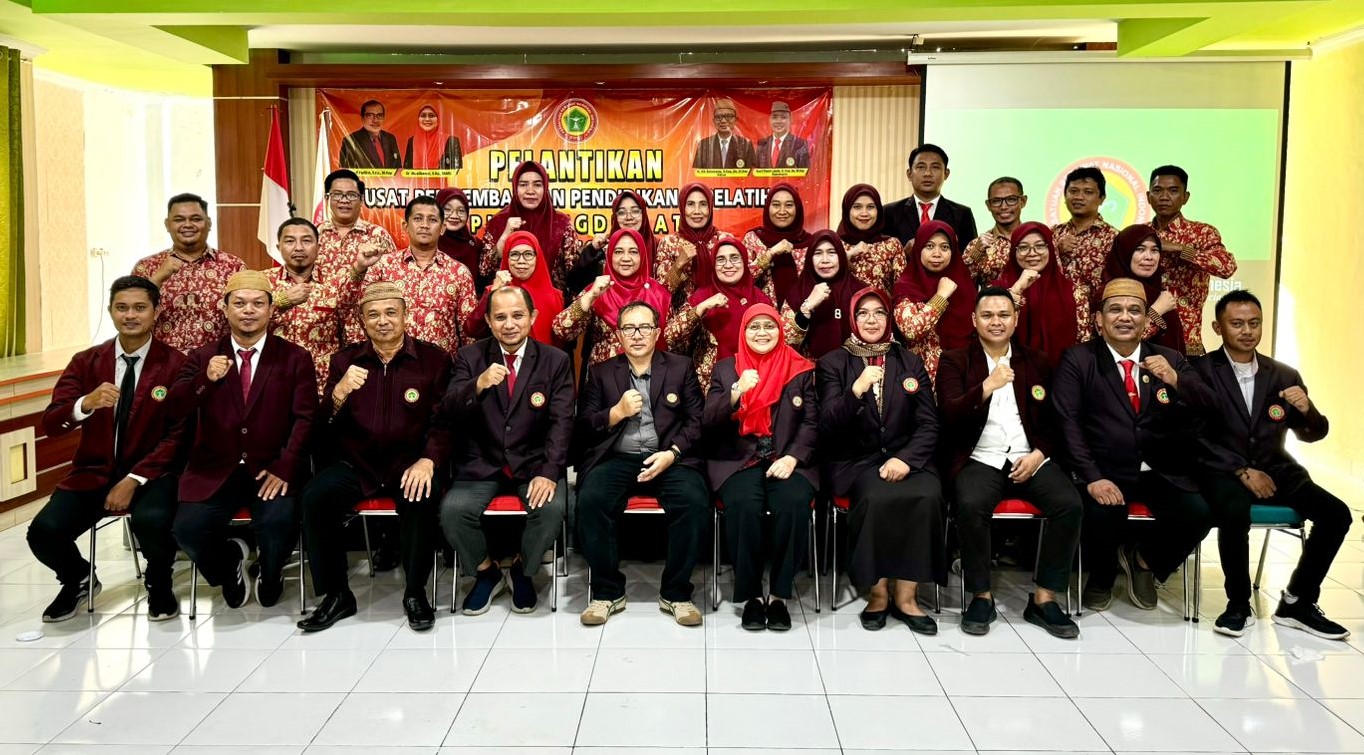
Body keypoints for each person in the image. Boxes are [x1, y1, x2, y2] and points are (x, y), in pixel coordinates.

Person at [29, 276, 188, 622]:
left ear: (156, 311)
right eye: (122, 308)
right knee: (43, 532)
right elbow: (52, 423)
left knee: (153, 521)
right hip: (93, 472)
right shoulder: (86, 361)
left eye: (139, 308)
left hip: (152, 474)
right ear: (111, 311)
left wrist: (133, 479)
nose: (130, 315)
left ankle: (159, 582)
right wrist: (84, 404)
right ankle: (78, 578)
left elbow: (180, 435)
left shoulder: (176, 364)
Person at [1195, 290, 1351, 639]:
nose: (1247, 331)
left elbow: (1312, 434)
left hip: (1277, 469)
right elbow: (1193, 436)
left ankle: (1298, 601)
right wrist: (1241, 470)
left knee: (1337, 514)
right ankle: (1238, 604)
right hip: (1223, 470)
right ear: (1218, 327)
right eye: (1237, 324)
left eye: (1254, 323)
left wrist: (1307, 409)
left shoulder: (1283, 374)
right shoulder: (1200, 371)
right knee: (1234, 511)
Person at [1052, 278, 1214, 613]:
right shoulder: (1078, 359)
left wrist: (1176, 380)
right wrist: (1092, 477)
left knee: (1199, 514)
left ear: (1145, 319)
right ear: (1099, 319)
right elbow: (1067, 423)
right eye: (1115, 309)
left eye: (1134, 310)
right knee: (1103, 512)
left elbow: (1211, 408)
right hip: (1104, 470)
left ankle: (1144, 562)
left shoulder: (1169, 358)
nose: (1125, 317)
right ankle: (1101, 577)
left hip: (1160, 470)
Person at [298, 282, 451, 633]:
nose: (383, 321)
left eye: (390, 312)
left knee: (422, 496)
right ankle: (337, 594)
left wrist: (428, 460)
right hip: (358, 464)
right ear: (363, 321)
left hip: (409, 463)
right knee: (315, 498)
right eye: (374, 315)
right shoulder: (344, 361)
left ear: (405, 315)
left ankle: (415, 593)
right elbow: (321, 426)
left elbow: (444, 423)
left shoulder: (434, 360)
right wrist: (339, 392)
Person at [937, 286, 1082, 639]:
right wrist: (987, 386)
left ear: (1016, 319)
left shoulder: (1037, 361)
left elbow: (1056, 421)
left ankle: (1044, 599)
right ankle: (980, 596)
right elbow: (949, 415)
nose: (996, 322)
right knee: (970, 505)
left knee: (1069, 504)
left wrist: (1039, 454)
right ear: (974, 320)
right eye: (987, 315)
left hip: (1028, 456)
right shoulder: (955, 360)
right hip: (979, 458)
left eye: (1004, 315)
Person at [166, 271, 318, 609]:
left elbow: (306, 418)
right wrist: (205, 379)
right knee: (188, 530)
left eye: (257, 304)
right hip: (214, 469)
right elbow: (174, 407)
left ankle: (270, 573)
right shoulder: (203, 356)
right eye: (239, 303)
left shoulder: (294, 357)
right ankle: (229, 565)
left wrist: (285, 466)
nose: (248, 310)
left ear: (271, 310)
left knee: (278, 523)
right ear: (225, 309)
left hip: (271, 469)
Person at [574, 302, 709, 627]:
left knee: (694, 501)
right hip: (617, 458)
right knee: (591, 500)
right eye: (629, 328)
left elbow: (696, 420)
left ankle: (676, 593)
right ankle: (607, 592)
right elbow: (583, 426)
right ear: (618, 334)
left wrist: (672, 453)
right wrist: (615, 413)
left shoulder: (680, 367)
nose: (637, 335)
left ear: (657, 332)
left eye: (645, 327)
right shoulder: (602, 372)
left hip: (668, 457)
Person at [818, 287, 944, 635]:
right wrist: (856, 390)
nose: (871, 320)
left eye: (879, 313)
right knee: (876, 496)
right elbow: (827, 424)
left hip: (907, 456)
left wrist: (907, 460)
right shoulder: (833, 362)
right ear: (852, 319)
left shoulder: (909, 361)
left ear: (889, 319)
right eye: (863, 313)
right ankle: (877, 594)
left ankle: (907, 596)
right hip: (856, 460)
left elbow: (929, 422)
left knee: (927, 495)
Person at [442, 286, 575, 615]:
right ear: (488, 321)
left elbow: (561, 422)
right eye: (500, 317)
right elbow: (448, 410)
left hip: (533, 464)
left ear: (533, 317)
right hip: (482, 462)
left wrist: (549, 472)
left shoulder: (555, 360)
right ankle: (486, 572)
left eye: (517, 315)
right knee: (453, 512)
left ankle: (521, 569)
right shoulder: (470, 357)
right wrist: (477, 384)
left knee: (551, 510)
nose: (509, 324)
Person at [704, 304, 818, 631]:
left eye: (769, 326)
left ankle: (779, 596)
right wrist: (736, 391)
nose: (762, 333)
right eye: (754, 327)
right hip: (739, 458)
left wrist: (793, 457)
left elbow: (811, 421)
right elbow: (708, 420)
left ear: (780, 331)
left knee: (793, 504)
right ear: (743, 332)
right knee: (743, 506)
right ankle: (752, 596)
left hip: (786, 457)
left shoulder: (800, 368)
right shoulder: (726, 369)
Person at [361, 196, 478, 354]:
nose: (424, 225)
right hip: (391, 363)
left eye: (432, 220)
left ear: (442, 228)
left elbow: (469, 333)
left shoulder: (459, 273)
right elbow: (363, 316)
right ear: (405, 226)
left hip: (442, 366)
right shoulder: (383, 266)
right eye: (418, 218)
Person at [132, 193, 247, 354]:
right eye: (179, 219)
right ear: (167, 225)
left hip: (218, 361)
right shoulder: (147, 267)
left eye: (196, 219)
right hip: (162, 362)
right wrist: (157, 279)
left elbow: (247, 316)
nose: (187, 225)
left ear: (209, 223)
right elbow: (131, 313)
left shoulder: (233, 266)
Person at [267, 218, 367, 396]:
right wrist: (281, 301)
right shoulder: (263, 283)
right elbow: (245, 322)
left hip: (322, 385)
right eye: (290, 241)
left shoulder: (335, 282)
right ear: (278, 247)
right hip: (273, 382)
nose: (298, 247)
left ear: (319, 247)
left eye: (306, 241)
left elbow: (351, 330)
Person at [1147, 165, 1238, 356]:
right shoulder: (1139, 233)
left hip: (1187, 343)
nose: (1164, 197)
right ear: (1148, 196)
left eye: (1173, 191)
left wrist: (1181, 249)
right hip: (1142, 340)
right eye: (1157, 190)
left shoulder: (1202, 233)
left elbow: (1227, 267)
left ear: (1185, 197)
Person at [663, 235, 773, 389]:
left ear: (744, 261)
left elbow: (776, 340)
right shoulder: (702, 296)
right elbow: (669, 336)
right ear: (713, 265)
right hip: (713, 386)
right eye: (721, 260)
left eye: (735, 258)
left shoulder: (760, 298)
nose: (728, 265)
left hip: (757, 380)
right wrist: (701, 309)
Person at [552, 228, 672, 367]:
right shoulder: (598, 289)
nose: (626, 258)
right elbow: (561, 330)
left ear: (642, 256)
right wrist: (590, 296)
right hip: (604, 376)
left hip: (652, 375)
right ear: (609, 255)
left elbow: (671, 343)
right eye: (618, 252)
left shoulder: (657, 292)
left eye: (633, 252)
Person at [316, 170, 398, 344]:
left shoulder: (378, 236)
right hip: (321, 330)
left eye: (351, 195)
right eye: (337, 194)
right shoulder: (314, 236)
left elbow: (392, 283)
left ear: (361, 200)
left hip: (366, 331)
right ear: (327, 198)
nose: (344, 200)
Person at [991, 222, 1088, 364]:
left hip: (1063, 372)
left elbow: (1083, 342)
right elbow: (991, 331)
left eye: (1040, 246)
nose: (1032, 253)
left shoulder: (1074, 293)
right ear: (1013, 251)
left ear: (1051, 249)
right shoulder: (996, 290)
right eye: (1023, 247)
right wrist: (1017, 288)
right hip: (1008, 370)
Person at [892, 220, 976, 380]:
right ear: (918, 249)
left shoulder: (964, 283)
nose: (937, 254)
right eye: (929, 246)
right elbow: (910, 331)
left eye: (944, 247)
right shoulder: (905, 286)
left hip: (964, 374)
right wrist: (941, 296)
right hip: (923, 378)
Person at [482, 161, 582, 290]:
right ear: (515, 187)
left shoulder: (562, 224)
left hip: (550, 300)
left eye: (537, 185)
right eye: (523, 185)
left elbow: (575, 275)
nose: (530, 191)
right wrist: (505, 236)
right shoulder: (498, 222)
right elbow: (484, 272)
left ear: (545, 188)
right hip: (507, 299)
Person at [464, 231, 565, 345]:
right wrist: (492, 293)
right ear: (506, 258)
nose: (521, 261)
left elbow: (562, 342)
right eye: (514, 254)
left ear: (538, 257)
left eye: (528, 254)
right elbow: (471, 330)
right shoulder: (494, 290)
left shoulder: (555, 297)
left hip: (546, 356)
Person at [782, 230, 871, 358]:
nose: (825, 260)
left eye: (832, 253)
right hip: (809, 368)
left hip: (854, 367)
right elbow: (785, 343)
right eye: (818, 253)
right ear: (809, 258)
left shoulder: (861, 292)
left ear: (841, 255)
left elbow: (874, 338)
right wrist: (806, 308)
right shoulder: (797, 293)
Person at [1102, 224, 1184, 353]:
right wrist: (1156, 312)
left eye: (1155, 250)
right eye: (1140, 249)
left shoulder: (1158, 293)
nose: (1149, 257)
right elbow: (1116, 345)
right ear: (1124, 252)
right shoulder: (1109, 293)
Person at [883, 144, 978, 248]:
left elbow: (970, 255)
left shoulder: (962, 214)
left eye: (935, 167)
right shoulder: (889, 213)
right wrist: (904, 253)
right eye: (921, 167)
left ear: (946, 174)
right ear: (909, 174)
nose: (927, 173)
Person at [568, 189, 657, 295]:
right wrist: (592, 250)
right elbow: (574, 284)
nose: (629, 217)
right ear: (615, 216)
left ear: (644, 214)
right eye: (622, 213)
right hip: (610, 304)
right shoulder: (603, 248)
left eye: (635, 211)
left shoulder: (658, 247)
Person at [1051, 166, 1118, 304]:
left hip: (1096, 312)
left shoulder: (1114, 237)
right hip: (1055, 311)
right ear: (1065, 196)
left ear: (1101, 198)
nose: (1079, 197)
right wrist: (1056, 251)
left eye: (1088, 192)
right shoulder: (1052, 233)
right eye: (1073, 191)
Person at [744, 183, 813, 302]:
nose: (782, 211)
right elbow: (742, 281)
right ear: (768, 207)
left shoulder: (810, 242)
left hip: (803, 312)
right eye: (776, 205)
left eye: (789, 205)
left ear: (797, 208)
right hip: (763, 312)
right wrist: (770, 254)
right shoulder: (753, 239)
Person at [655, 183, 724, 299]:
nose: (697, 211)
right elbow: (661, 292)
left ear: (710, 207)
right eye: (690, 204)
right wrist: (678, 264)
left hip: (721, 307)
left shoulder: (723, 240)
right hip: (683, 310)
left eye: (703, 204)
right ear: (682, 208)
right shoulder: (669, 243)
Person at [837, 184, 905, 292]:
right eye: (857, 207)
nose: (864, 213)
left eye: (870, 207)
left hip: (882, 303)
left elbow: (902, 291)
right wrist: (847, 255)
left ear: (878, 211)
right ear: (847, 210)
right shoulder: (834, 244)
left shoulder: (892, 245)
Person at [964, 177, 1028, 286]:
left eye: (1011, 199)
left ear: (1023, 201)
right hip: (992, 297)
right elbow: (961, 283)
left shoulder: (1037, 239)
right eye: (996, 201)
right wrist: (976, 253)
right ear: (988, 205)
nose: (1004, 207)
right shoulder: (977, 245)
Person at [436, 187, 496, 295]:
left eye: (461, 211)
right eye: (447, 210)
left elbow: (484, 283)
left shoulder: (475, 246)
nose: (454, 216)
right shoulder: (429, 245)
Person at [692, 98, 756, 170]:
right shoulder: (704, 145)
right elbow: (696, 172)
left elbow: (751, 172)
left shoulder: (745, 144)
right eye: (718, 117)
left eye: (728, 116)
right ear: (714, 121)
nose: (723, 121)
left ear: (735, 120)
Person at [340, 98, 401, 170]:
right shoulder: (350, 141)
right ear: (362, 118)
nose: (375, 120)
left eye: (379, 115)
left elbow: (398, 168)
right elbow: (345, 172)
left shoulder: (390, 138)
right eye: (370, 115)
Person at [403, 103, 463, 171]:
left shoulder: (451, 141)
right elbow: (406, 171)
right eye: (423, 116)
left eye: (431, 115)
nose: (427, 119)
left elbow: (457, 172)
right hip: (416, 178)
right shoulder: (412, 141)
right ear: (418, 119)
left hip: (443, 178)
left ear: (438, 119)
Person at [755, 101, 811, 169]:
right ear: (770, 120)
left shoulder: (800, 144)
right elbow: (756, 171)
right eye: (774, 117)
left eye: (783, 117)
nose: (778, 121)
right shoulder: (762, 144)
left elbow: (805, 173)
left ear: (790, 120)